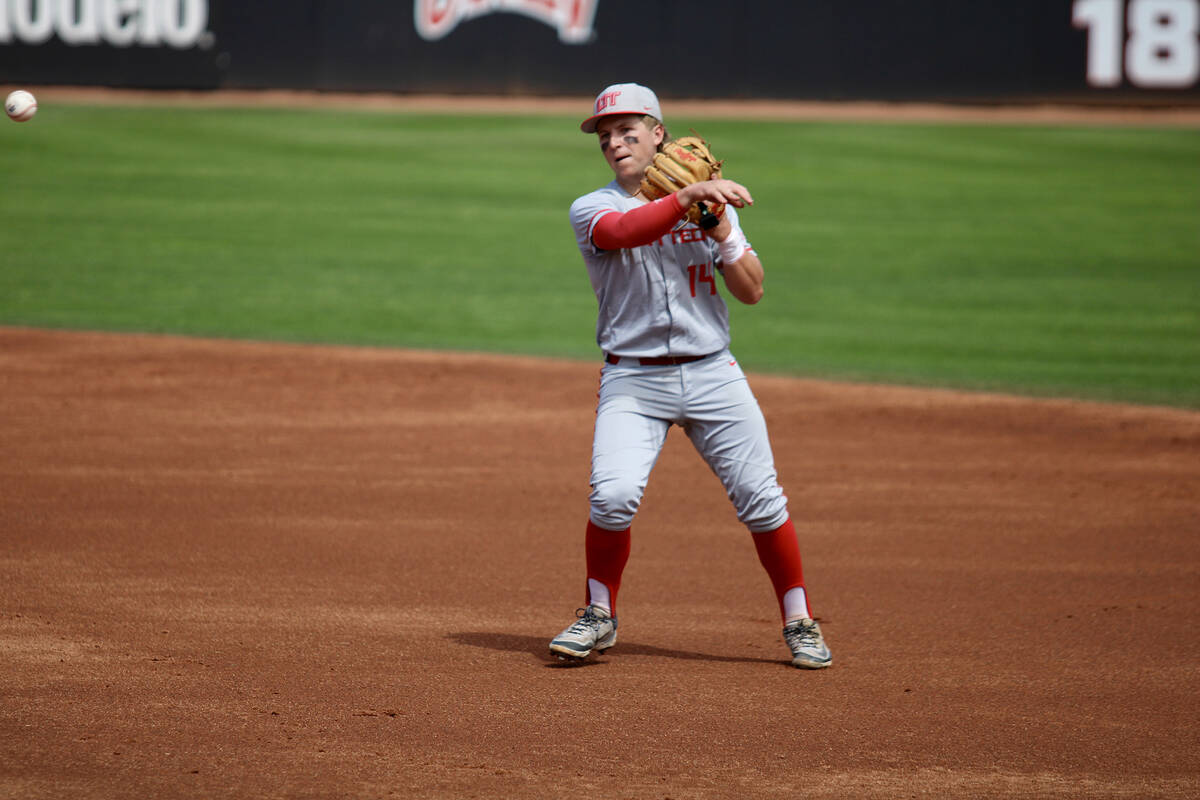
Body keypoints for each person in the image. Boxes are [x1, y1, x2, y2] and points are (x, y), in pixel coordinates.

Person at [548, 83, 832, 669]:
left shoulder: (709, 209)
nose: (615, 145)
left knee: (762, 500)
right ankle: (598, 614)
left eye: (629, 133)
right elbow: (625, 233)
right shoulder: (592, 207)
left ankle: (800, 620)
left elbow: (751, 291)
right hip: (634, 381)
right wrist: (690, 197)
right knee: (614, 495)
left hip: (713, 375)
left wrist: (722, 229)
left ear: (660, 135)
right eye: (606, 138)